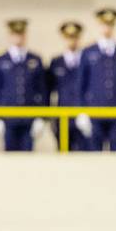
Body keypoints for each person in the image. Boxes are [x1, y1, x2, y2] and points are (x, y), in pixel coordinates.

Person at [75, 7, 116, 152]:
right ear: (99, 25)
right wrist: (81, 111)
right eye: (104, 24)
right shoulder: (88, 52)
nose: (107, 28)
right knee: (94, 155)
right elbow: (80, 85)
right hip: (94, 112)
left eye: (110, 25)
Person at [0, 19, 49, 152]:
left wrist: (42, 117)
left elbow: (43, 89)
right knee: (10, 156)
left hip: (30, 117)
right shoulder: (0, 60)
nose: (18, 38)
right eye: (15, 34)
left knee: (28, 155)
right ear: (9, 36)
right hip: (8, 117)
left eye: (21, 34)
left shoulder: (35, 59)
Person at [49, 21, 86, 151]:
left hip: (83, 116)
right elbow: (49, 90)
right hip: (62, 117)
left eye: (74, 37)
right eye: (68, 37)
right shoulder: (56, 62)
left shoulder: (86, 60)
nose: (71, 41)